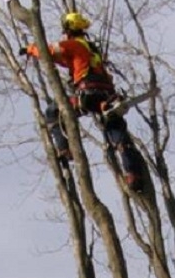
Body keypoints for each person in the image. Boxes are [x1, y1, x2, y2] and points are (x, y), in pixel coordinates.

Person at [22, 11, 145, 190]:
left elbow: (47, 51)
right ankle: (133, 175)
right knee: (118, 134)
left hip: (88, 95)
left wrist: (30, 49)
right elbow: (66, 62)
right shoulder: (90, 48)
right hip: (107, 96)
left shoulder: (71, 44)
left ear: (68, 30)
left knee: (52, 111)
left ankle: (64, 149)